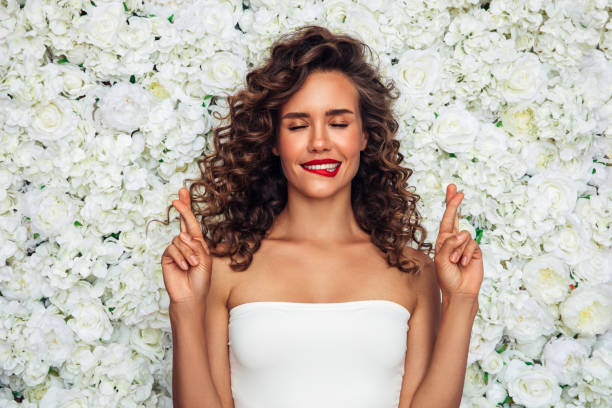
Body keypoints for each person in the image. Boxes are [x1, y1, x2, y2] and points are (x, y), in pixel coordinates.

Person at [157, 25, 483, 408]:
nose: (319, 142)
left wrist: (462, 298)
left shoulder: (414, 270)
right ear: (275, 141)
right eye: (297, 125)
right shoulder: (222, 267)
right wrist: (184, 306)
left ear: (364, 136)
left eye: (339, 123)